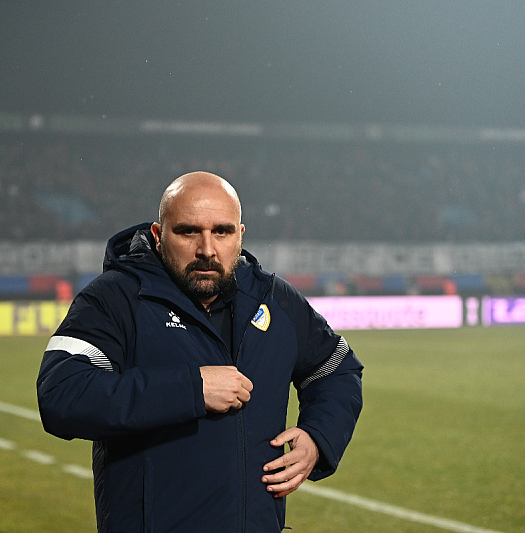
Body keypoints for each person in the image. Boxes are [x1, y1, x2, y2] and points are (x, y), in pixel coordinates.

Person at [37, 171, 363, 532]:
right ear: (159, 236)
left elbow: (336, 368)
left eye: (221, 231)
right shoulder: (116, 299)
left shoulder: (273, 299)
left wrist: (318, 437)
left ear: (240, 235)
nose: (207, 249)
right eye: (188, 231)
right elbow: (62, 395)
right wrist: (191, 389)